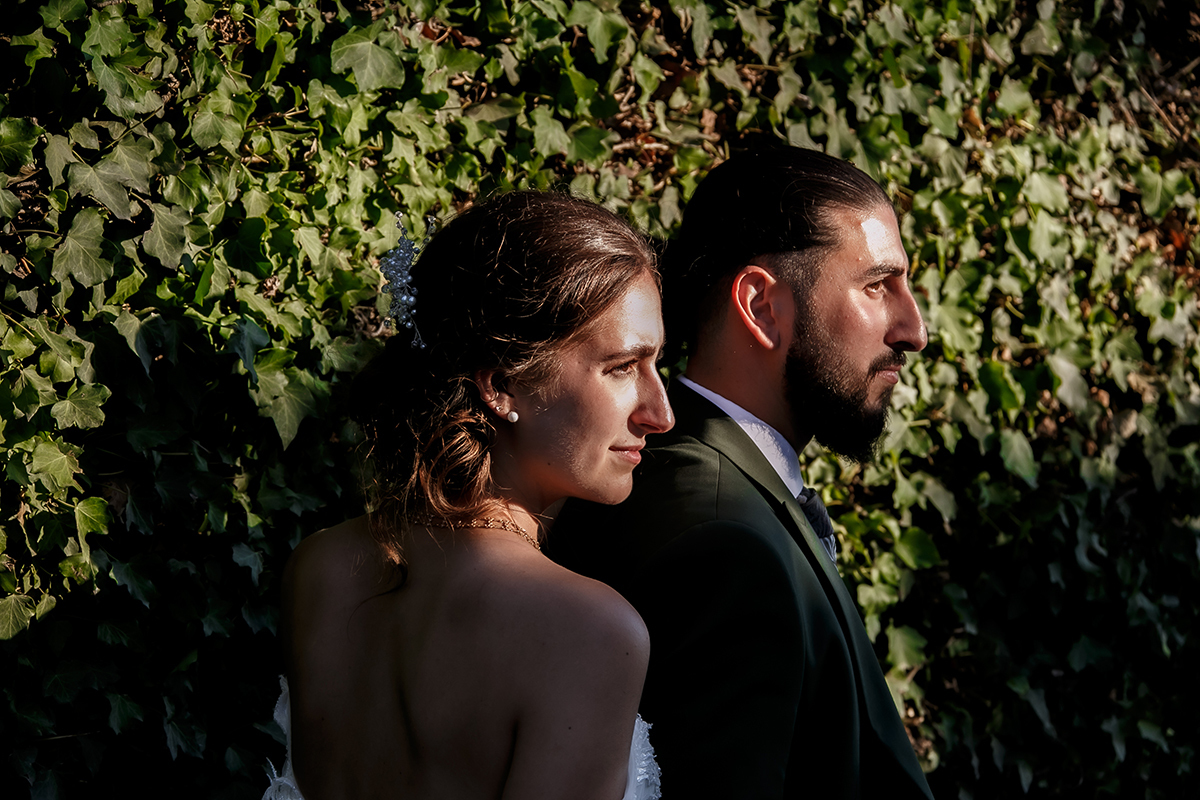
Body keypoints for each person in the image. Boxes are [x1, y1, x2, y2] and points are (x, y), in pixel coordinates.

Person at [549, 146, 936, 798]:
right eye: (877, 285)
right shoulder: (719, 536)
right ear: (760, 306)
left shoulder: (710, 491)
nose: (914, 329)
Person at [265, 192, 672, 800]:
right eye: (621, 367)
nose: (660, 413)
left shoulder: (321, 567)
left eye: (656, 362)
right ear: (502, 384)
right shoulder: (590, 632)